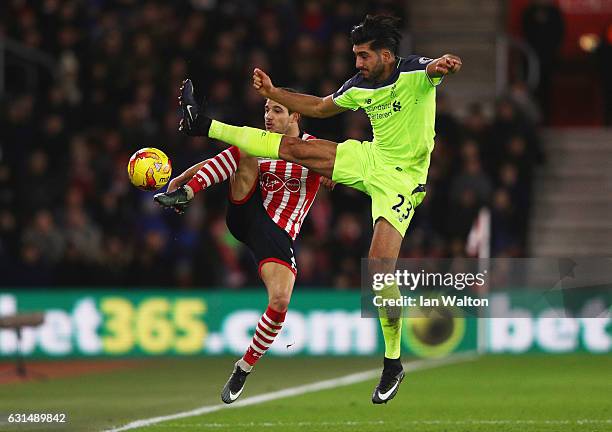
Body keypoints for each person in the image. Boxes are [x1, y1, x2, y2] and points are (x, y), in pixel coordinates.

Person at [168, 14, 461, 404]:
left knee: (378, 271)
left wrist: (443, 64)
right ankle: (201, 123)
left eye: (362, 56)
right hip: (369, 158)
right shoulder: (360, 86)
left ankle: (393, 363)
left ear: (386, 55)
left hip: (403, 180)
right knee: (294, 148)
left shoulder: (415, 72)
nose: (356, 63)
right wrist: (274, 91)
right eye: (355, 55)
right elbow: (320, 108)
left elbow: (436, 66)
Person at [154, 93, 333, 404]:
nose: (269, 116)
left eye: (277, 110)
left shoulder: (314, 149)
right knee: (248, 148)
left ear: (295, 118)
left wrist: (336, 177)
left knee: (279, 302)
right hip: (247, 212)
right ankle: (188, 194)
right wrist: (187, 179)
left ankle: (244, 367)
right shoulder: (260, 140)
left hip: (277, 234)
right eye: (266, 109)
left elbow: (345, 170)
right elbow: (234, 157)